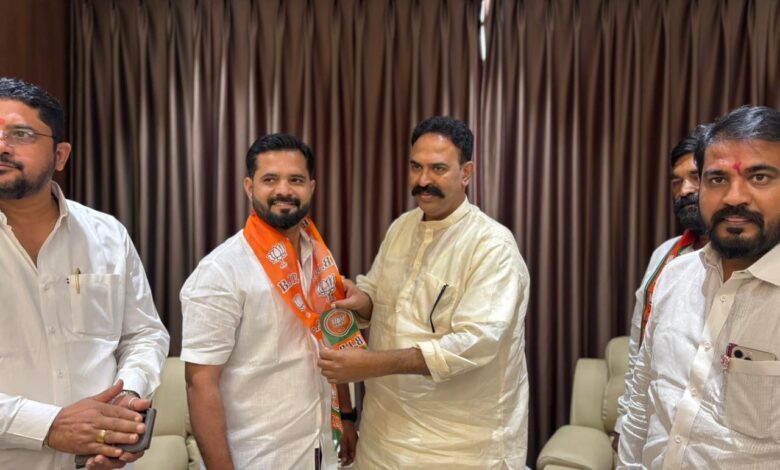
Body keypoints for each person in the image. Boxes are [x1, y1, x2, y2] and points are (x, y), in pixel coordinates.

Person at [318, 116, 530, 469]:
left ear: (466, 173)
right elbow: (379, 293)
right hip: (383, 436)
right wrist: (362, 301)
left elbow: (476, 343)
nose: (422, 181)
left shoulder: (492, 246)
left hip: (459, 448)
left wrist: (371, 365)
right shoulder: (402, 227)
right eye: (416, 167)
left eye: (438, 168)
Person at [0, 77, 169, 470]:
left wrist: (127, 403)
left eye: (21, 134)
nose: (3, 146)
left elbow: (144, 334)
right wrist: (48, 426)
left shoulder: (107, 234)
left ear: (60, 155)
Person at [181, 133, 358, 469]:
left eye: (296, 180)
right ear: (249, 187)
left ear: (312, 187)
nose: (284, 190)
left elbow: (331, 339)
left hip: (322, 449)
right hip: (256, 458)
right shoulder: (220, 271)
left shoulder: (319, 257)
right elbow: (200, 384)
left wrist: (346, 416)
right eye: (270, 179)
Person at [618, 105, 780, 468]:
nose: (734, 197)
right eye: (717, 179)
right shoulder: (674, 275)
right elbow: (643, 394)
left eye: (759, 177)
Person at [613, 129, 709, 447]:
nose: (684, 190)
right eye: (676, 181)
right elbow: (639, 347)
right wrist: (625, 421)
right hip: (655, 430)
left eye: (695, 177)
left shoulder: (751, 261)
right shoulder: (665, 255)